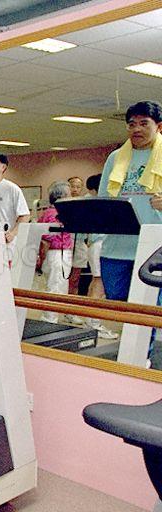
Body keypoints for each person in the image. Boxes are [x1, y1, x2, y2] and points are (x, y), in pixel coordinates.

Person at [97, 101, 162, 362]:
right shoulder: (116, 157)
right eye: (131, 124)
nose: (136, 129)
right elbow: (103, 196)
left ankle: (139, 357)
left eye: (143, 123)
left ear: (158, 126)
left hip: (154, 247)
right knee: (119, 302)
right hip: (117, 245)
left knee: (147, 307)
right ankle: (136, 349)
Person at [82, 174, 118, 339]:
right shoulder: (97, 204)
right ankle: (94, 324)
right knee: (99, 283)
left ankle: (90, 320)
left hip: (96, 244)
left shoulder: (94, 204)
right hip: (99, 245)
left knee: (95, 282)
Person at [37, 182, 73, 324]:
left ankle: (53, 317)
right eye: (69, 194)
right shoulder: (55, 214)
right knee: (56, 287)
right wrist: (42, 257)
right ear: (62, 196)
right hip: (57, 253)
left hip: (59, 253)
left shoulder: (48, 212)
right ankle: (49, 319)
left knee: (59, 286)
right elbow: (47, 238)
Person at [64, 176, 89, 325]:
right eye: (72, 186)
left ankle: (70, 311)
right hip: (66, 243)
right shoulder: (63, 204)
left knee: (75, 279)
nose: (75, 189)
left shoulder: (83, 205)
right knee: (63, 279)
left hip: (79, 243)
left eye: (78, 186)